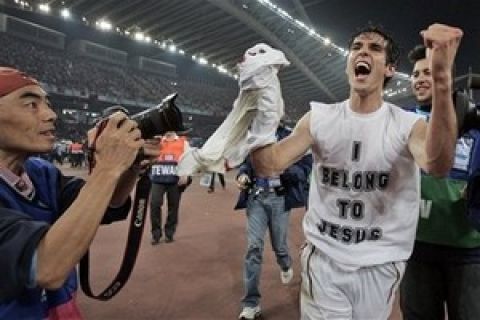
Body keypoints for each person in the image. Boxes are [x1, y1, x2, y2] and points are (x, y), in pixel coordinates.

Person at [249, 24, 462, 319]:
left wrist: (441, 80)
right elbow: (268, 164)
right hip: (325, 260)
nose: (363, 51)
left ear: (389, 69)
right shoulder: (319, 118)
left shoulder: (407, 125)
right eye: (357, 47)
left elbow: (438, 165)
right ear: (349, 62)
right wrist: (258, 104)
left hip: (380, 263)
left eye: (375, 49)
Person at [0, 67, 160, 318]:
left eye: (48, 104)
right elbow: (46, 267)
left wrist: (129, 168)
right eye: (31, 104)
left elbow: (105, 206)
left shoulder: (41, 172)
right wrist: (107, 167)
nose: (51, 115)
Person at [400, 45, 480, 319]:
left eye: (429, 72)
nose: (420, 78)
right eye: (415, 74)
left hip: (468, 250)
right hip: (415, 248)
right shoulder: (403, 122)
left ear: (445, 77)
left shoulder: (475, 120)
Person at [236, 123, 312, 320]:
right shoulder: (256, 137)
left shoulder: (294, 136)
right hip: (256, 198)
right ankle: (251, 304)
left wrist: (280, 166)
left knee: (279, 246)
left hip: (279, 199)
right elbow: (246, 163)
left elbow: (305, 169)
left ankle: (285, 263)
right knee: (254, 247)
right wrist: (242, 174)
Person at [149, 131, 191, 244]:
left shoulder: (183, 142)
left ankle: (169, 233)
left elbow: (188, 159)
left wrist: (186, 174)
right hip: (158, 178)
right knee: (155, 204)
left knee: (173, 206)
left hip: (175, 179)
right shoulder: (157, 141)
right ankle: (156, 234)